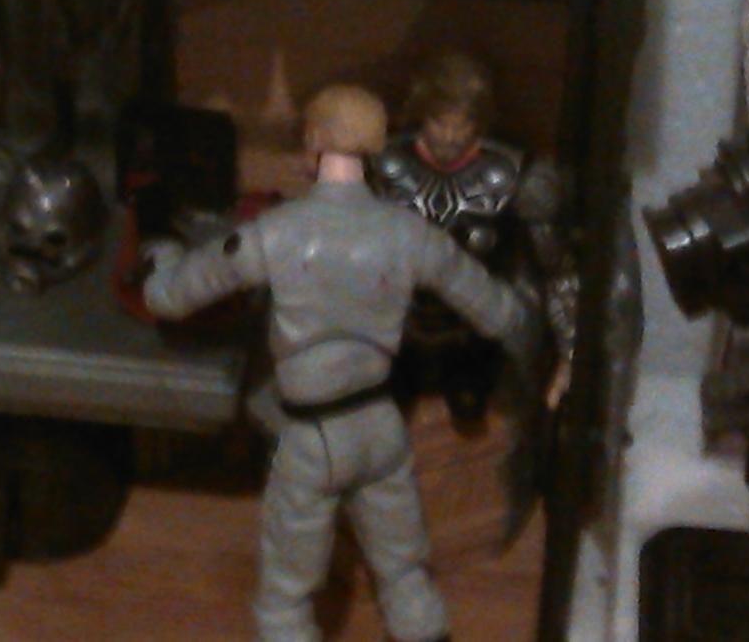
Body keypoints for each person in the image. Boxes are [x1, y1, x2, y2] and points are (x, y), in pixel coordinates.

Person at [142, 85, 538, 642]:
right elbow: (497, 310)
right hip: (380, 426)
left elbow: (171, 296)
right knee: (404, 570)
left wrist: (159, 252)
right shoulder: (408, 233)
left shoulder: (275, 233)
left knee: (287, 593)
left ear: (313, 142)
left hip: (311, 436)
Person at [369, 51, 567, 430]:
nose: (449, 137)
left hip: (474, 331)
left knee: (478, 416)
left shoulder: (512, 174)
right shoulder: (382, 164)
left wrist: (567, 353)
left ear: (481, 122)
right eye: (439, 122)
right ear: (421, 113)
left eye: (463, 125)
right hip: (394, 326)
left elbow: (555, 269)